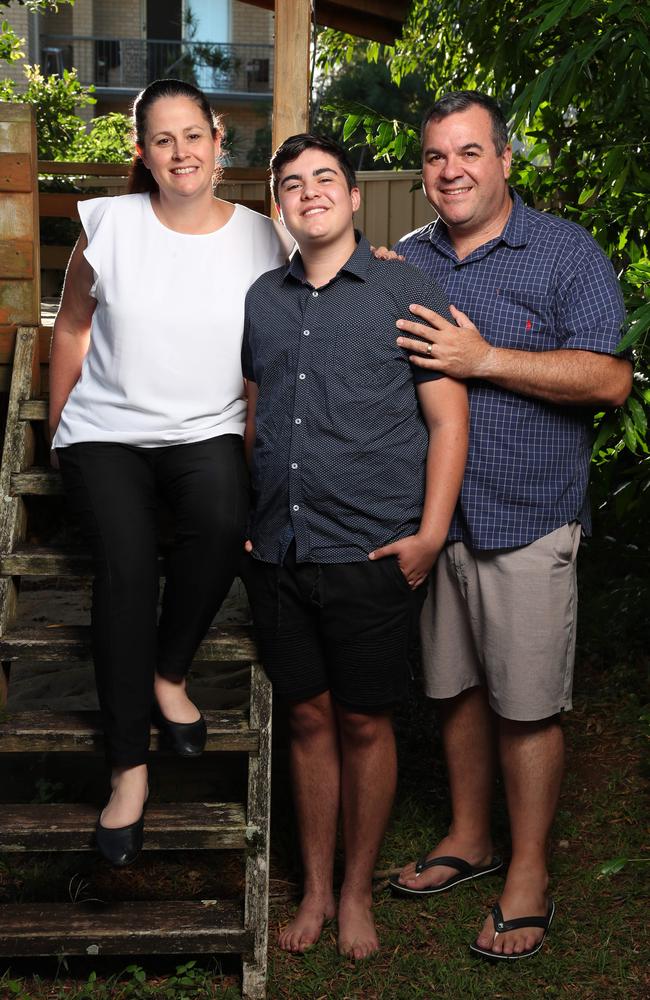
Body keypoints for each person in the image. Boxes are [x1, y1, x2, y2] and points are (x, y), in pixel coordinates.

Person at [388, 91, 632, 960]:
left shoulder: (565, 253)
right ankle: (468, 836)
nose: (450, 171)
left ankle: (527, 869)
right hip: (439, 520)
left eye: (468, 153)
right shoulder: (412, 260)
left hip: (527, 516)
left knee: (527, 705)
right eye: (434, 157)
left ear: (504, 160)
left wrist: (484, 358)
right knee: (453, 688)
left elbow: (609, 381)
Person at [49, 78, 292, 867]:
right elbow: (74, 326)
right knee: (123, 564)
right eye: (163, 140)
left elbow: (324, 280)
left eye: (194, 135)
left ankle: (168, 670)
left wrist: (384, 262)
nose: (181, 152)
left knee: (225, 520)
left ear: (221, 141)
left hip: (206, 428)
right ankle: (127, 770)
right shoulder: (109, 226)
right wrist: (60, 431)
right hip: (108, 433)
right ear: (143, 153)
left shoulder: (265, 238)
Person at [241, 134, 469, 959]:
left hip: (372, 553)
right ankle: (311, 887)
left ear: (355, 196)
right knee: (305, 719)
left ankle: (355, 890)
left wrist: (431, 535)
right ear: (280, 204)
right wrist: (252, 510)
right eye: (292, 184)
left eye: (324, 179)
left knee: (365, 723)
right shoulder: (262, 299)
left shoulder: (406, 289)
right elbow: (257, 413)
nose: (310, 194)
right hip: (279, 552)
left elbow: (448, 419)